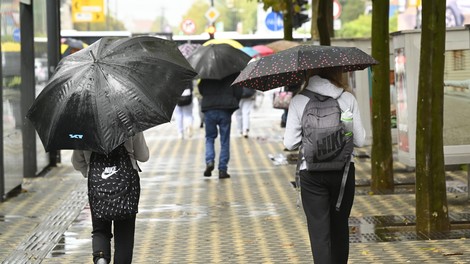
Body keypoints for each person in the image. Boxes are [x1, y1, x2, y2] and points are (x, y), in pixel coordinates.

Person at [283, 69, 365, 264]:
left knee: (319, 230)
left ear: (308, 74)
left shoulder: (298, 101)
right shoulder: (347, 98)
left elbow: (290, 143)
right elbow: (360, 140)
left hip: (310, 173)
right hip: (343, 172)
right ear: (336, 73)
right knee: (339, 226)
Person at [71, 132, 149, 264]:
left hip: (97, 186)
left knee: (100, 229)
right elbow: (143, 156)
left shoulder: (84, 127)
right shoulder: (129, 121)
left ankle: (101, 258)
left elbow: (77, 162)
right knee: (125, 233)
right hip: (126, 186)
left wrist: (90, 173)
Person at [198, 73, 242, 179]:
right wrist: (233, 102)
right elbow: (239, 91)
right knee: (225, 140)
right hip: (225, 110)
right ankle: (222, 170)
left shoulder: (207, 73)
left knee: (209, 138)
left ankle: (209, 161)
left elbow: (201, 89)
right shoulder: (233, 73)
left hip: (209, 109)